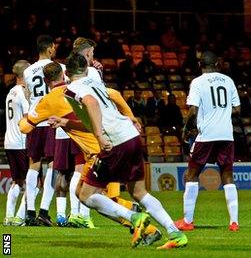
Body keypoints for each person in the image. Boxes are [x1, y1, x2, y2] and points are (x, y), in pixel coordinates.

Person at [57, 53, 187, 249]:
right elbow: (95, 119)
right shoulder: (96, 83)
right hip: (131, 136)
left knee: (85, 195)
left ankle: (134, 217)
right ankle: (175, 234)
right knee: (139, 192)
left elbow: (92, 105)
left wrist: (100, 137)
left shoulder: (70, 90)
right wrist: (66, 122)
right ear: (86, 69)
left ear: (66, 73)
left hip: (114, 143)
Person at [174, 51, 241, 232]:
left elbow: (193, 111)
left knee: (191, 174)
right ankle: (234, 222)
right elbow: (237, 109)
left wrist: (187, 129)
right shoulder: (228, 81)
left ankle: (188, 221)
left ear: (200, 65)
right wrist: (221, 114)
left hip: (207, 135)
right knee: (227, 175)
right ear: (217, 64)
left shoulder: (198, 82)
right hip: (226, 135)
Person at [22, 35, 60, 226]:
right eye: (54, 46)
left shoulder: (28, 71)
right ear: (49, 48)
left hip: (35, 121)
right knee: (54, 165)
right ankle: (44, 212)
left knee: (33, 165)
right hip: (53, 121)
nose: (55, 49)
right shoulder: (58, 68)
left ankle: (29, 213)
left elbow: (28, 96)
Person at [4, 60, 30, 226]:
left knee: (17, 181)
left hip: (9, 142)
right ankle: (21, 217)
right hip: (21, 142)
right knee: (31, 183)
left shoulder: (11, 92)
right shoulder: (23, 93)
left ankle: (8, 216)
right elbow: (28, 120)